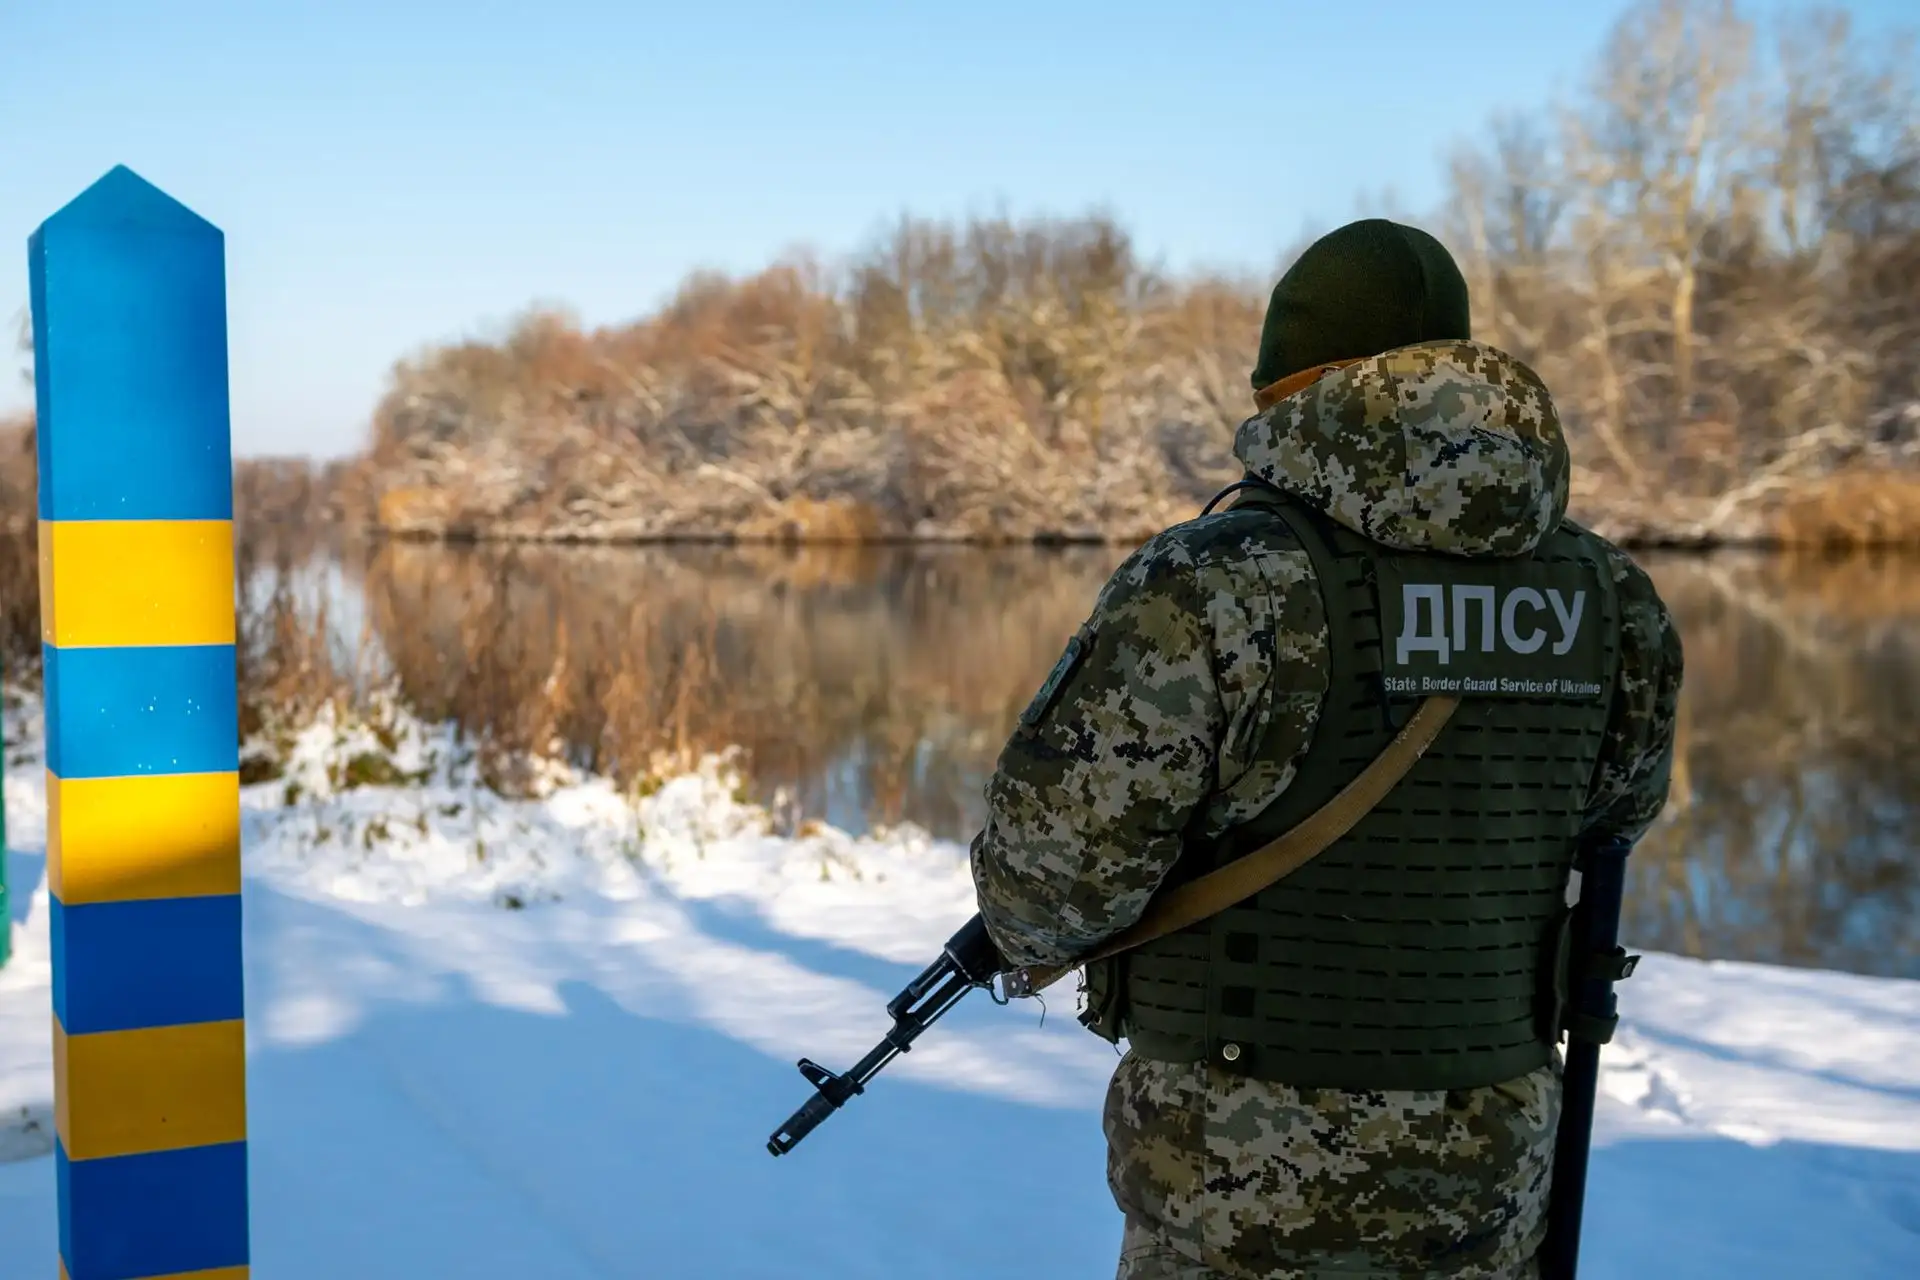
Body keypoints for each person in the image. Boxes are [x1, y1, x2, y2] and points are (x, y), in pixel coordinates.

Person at [968, 218, 1684, 1280]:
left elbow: (1043, 889)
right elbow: (1611, 824)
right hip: (1493, 1174)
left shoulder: (1215, 582)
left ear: (1288, 393)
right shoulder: (1611, 598)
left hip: (1236, 1187)